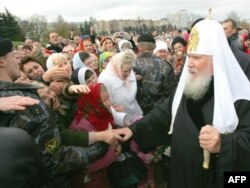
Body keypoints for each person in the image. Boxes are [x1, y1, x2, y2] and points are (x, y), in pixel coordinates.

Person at [115, 19, 250, 188]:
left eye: (197, 58)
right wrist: (132, 129)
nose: (189, 63)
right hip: (181, 172)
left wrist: (223, 144)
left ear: (216, 61)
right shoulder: (189, 87)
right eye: (189, 57)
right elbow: (163, 115)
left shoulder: (240, 97)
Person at [0, 38, 119, 187]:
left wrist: (67, 89)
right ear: (1, 62)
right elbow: (57, 159)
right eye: (13, 56)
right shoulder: (23, 102)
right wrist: (102, 145)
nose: (17, 61)